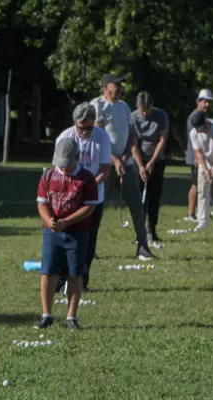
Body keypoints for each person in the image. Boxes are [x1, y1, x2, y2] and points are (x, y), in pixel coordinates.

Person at [34, 138, 98, 330]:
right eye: (60, 164)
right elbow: (42, 202)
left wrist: (66, 222)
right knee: (48, 272)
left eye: (67, 164)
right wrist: (49, 221)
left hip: (77, 233)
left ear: (78, 158)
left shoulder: (86, 179)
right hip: (52, 233)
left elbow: (89, 207)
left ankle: (72, 316)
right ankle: (47, 314)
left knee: (74, 273)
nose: (63, 167)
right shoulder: (48, 176)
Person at [90, 74, 155, 261]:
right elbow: (98, 137)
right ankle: (89, 249)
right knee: (95, 209)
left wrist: (125, 157)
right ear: (105, 87)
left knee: (136, 205)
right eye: (115, 84)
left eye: (120, 84)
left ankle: (142, 246)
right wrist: (113, 160)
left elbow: (132, 135)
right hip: (103, 166)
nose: (119, 87)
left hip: (125, 165)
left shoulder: (124, 106)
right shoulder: (97, 105)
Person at [54, 102, 111, 291]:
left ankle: (82, 280)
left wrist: (87, 188)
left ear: (94, 123)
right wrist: (72, 189)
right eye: (81, 128)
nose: (85, 132)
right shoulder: (65, 138)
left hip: (93, 196)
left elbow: (104, 169)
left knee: (88, 240)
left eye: (88, 127)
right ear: (75, 123)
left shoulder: (102, 137)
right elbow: (59, 169)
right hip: (67, 196)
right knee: (65, 237)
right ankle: (61, 279)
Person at [131, 91, 168, 241]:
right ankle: (140, 233)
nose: (145, 113)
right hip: (138, 159)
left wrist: (152, 161)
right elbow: (133, 143)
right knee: (139, 198)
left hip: (157, 160)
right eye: (142, 110)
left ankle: (152, 230)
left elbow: (162, 139)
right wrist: (141, 165)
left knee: (154, 196)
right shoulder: (133, 117)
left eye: (147, 109)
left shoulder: (161, 116)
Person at [185, 90, 213, 223]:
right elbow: (193, 138)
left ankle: (204, 211)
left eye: (209, 102)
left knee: (205, 183)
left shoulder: (203, 115)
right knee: (196, 184)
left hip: (203, 154)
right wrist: (196, 156)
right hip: (196, 155)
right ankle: (190, 213)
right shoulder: (195, 116)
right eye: (205, 101)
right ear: (198, 101)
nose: (207, 104)